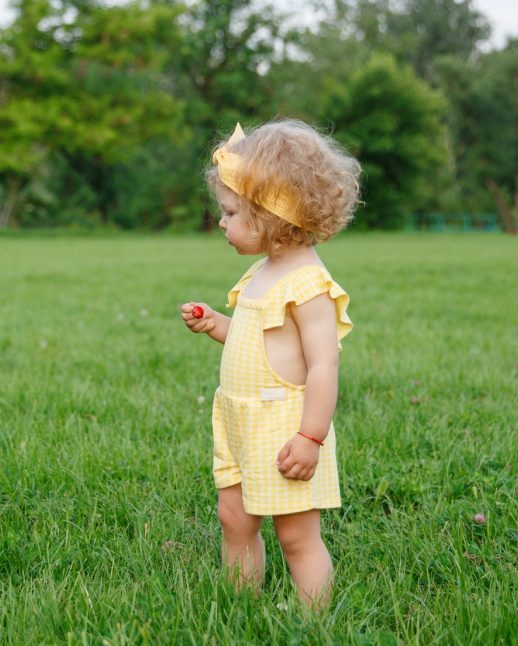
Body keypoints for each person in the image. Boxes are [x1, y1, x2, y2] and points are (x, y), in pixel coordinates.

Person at [180, 120, 360, 608]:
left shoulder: (307, 285)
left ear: (273, 217)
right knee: (233, 518)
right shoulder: (263, 270)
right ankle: (241, 604)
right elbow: (253, 338)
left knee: (296, 536)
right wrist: (217, 322)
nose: (222, 222)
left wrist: (310, 437)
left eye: (232, 212)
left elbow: (323, 365)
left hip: (283, 426)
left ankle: (312, 619)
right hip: (239, 419)